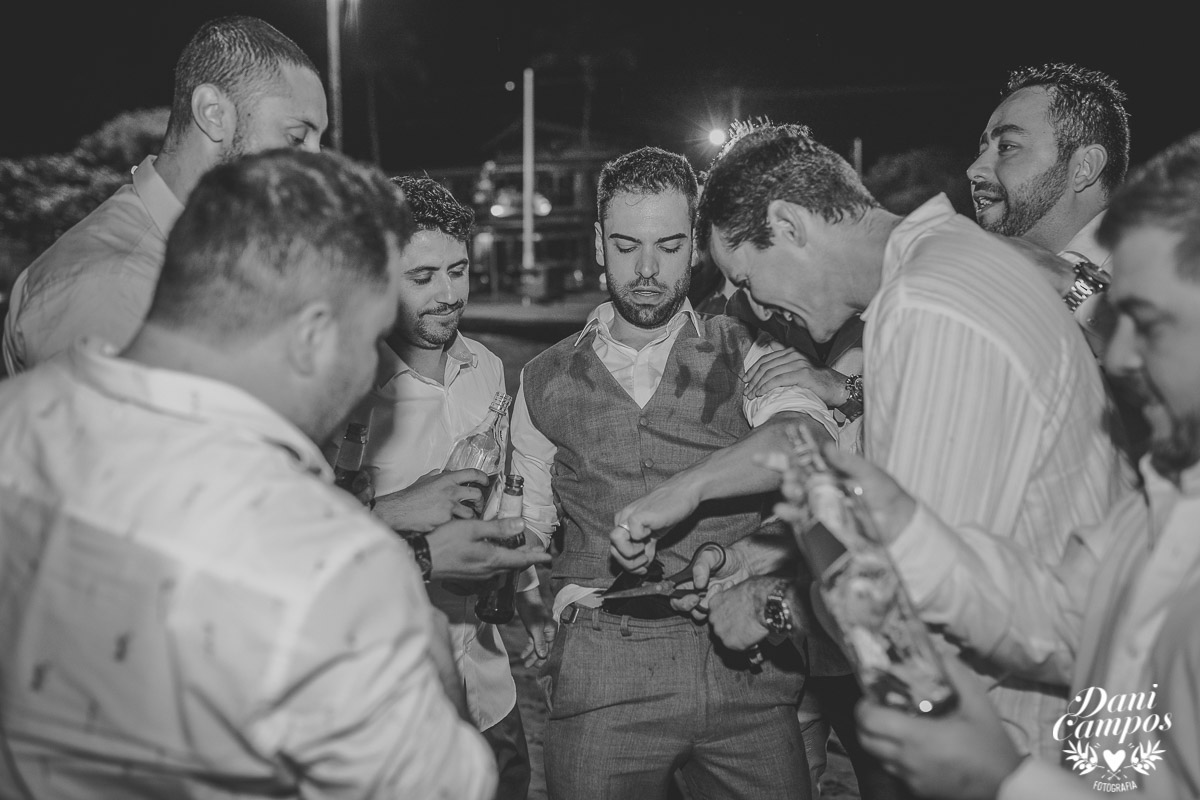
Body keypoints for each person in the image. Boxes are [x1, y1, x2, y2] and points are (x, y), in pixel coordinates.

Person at [0, 148, 504, 799]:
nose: (370, 368)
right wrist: (427, 654)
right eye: (371, 335)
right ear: (314, 335)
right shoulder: (331, 568)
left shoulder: (15, 419)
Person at [631, 120, 1135, 762]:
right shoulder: (951, 261)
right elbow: (914, 516)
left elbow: (917, 599)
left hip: (1036, 734)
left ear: (788, 225)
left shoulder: (923, 308)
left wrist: (769, 607)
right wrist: (765, 558)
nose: (753, 307)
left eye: (748, 279)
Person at [819, 128, 1200, 799]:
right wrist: (911, 530)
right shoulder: (1165, 497)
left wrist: (1005, 779)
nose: (1117, 358)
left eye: (1149, 323)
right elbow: (1067, 618)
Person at [510, 145, 839, 800]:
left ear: (695, 247)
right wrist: (537, 613)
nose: (646, 270)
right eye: (626, 245)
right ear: (598, 244)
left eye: (668, 246)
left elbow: (806, 437)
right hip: (602, 664)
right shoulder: (540, 377)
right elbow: (527, 527)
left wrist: (690, 493)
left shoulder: (749, 348)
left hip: (743, 664)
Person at [337, 175, 553, 800]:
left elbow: (502, 496)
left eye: (458, 271)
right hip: (390, 700)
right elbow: (304, 537)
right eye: (423, 276)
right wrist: (398, 510)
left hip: (487, 678)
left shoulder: (486, 367)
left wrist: (528, 594)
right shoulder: (344, 387)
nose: (449, 294)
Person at [2, 15, 328, 376]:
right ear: (213, 114)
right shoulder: (110, 286)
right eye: (297, 138)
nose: (317, 164)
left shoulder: (209, 254)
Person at [969, 63, 1130, 352]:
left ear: (1084, 167)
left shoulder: (1171, 261)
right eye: (981, 151)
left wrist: (1073, 286)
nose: (974, 170)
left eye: (1007, 147)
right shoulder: (990, 285)